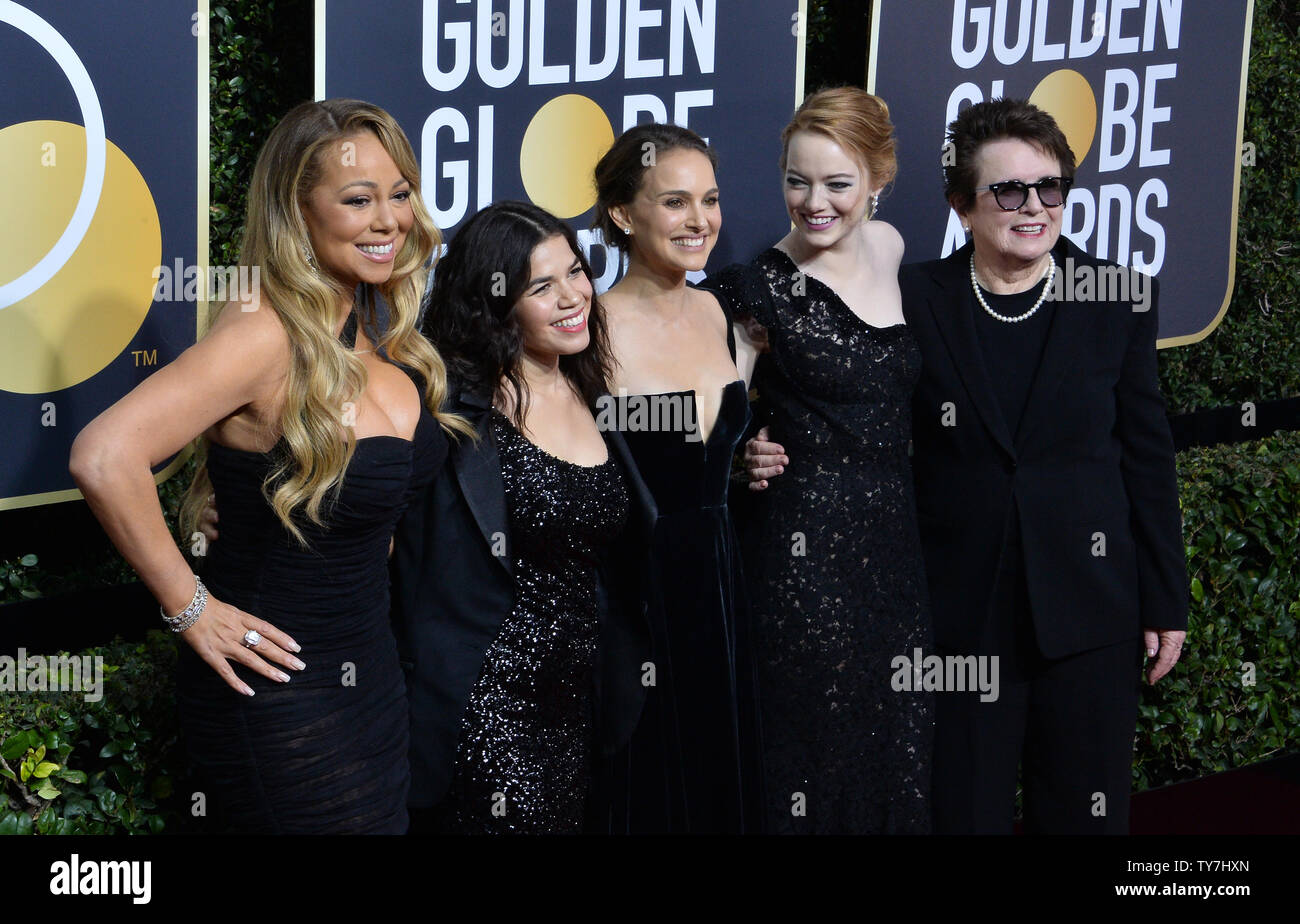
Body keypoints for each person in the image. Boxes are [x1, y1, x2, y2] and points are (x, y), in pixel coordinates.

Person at [748, 98, 1190, 834]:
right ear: (961, 204)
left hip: (1091, 607)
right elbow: (843, 398)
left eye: (1049, 189)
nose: (1034, 207)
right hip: (956, 611)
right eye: (1007, 191)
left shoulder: (1117, 297)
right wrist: (757, 447)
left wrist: (1165, 597)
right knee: (963, 812)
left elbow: (1147, 454)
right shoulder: (916, 296)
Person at [69, 99, 464, 833]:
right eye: (357, 199)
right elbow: (103, 453)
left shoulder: (371, 331)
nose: (389, 220)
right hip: (277, 694)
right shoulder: (264, 330)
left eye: (400, 194)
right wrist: (193, 611)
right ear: (296, 210)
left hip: (369, 676)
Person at [703, 87, 933, 834]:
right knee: (813, 761)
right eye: (797, 181)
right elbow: (714, 431)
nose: (813, 202)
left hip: (896, 559)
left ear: (878, 180)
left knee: (896, 750)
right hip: (803, 571)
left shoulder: (894, 248)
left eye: (837, 183)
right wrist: (742, 459)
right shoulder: (754, 291)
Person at [396, 201, 656, 834]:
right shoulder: (445, 404)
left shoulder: (589, 385)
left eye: (576, 272)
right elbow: (361, 501)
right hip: (486, 710)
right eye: (542, 286)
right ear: (496, 304)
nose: (574, 297)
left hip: (581, 709)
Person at [589, 123, 765, 833]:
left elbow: (712, 442)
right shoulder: (589, 327)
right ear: (623, 215)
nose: (701, 221)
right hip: (633, 598)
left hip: (720, 588)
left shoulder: (719, 310)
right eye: (675, 202)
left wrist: (747, 452)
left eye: (711, 200)